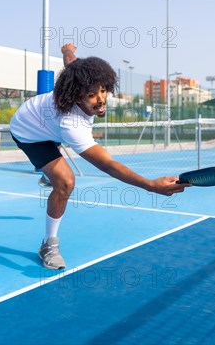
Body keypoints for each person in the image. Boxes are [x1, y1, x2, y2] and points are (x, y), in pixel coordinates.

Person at [10, 44, 190, 270]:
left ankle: (50, 174)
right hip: (28, 133)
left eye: (103, 90)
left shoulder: (81, 75)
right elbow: (108, 165)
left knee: (59, 172)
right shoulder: (71, 124)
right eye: (92, 95)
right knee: (65, 182)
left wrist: (66, 49)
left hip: (48, 126)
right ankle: (49, 245)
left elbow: (70, 61)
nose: (101, 99)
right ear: (76, 98)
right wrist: (150, 185)